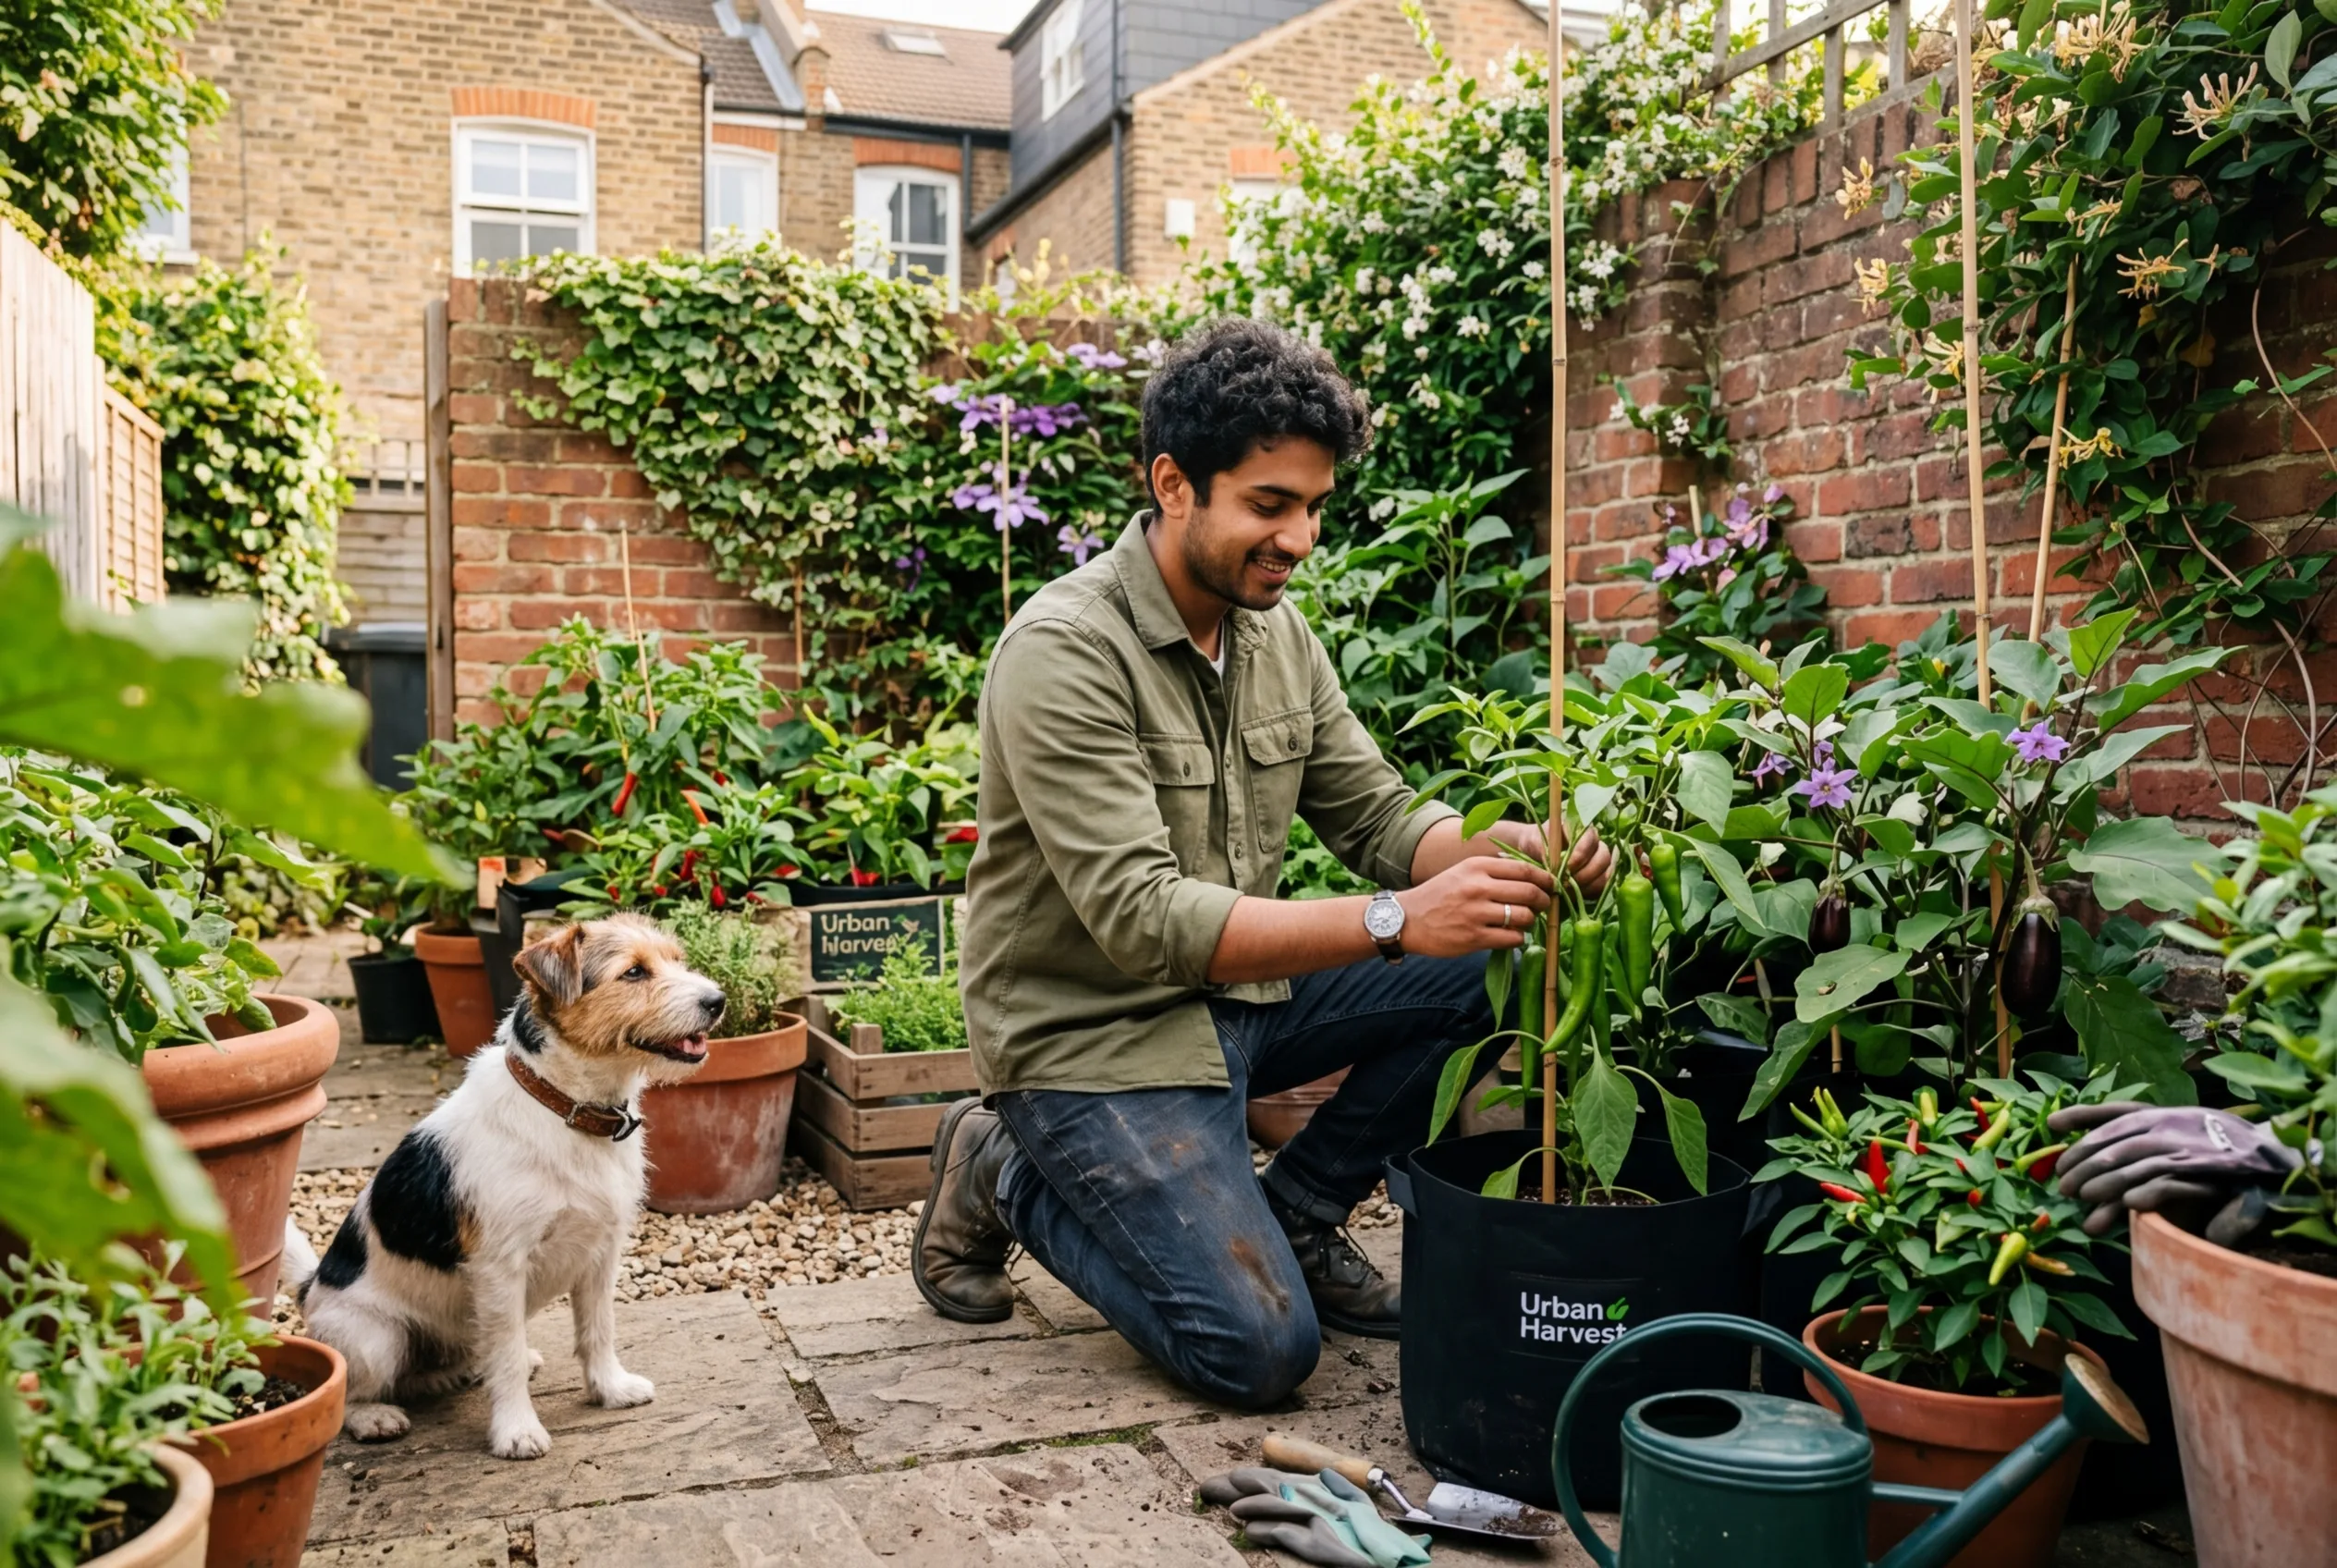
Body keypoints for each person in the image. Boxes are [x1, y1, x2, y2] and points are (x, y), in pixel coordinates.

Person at [910, 318, 1609, 1410]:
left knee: (1496, 959)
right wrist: (1392, 919)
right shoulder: (1063, 651)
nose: (1301, 537)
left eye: (1315, 506)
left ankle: (1298, 1208)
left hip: (1237, 998)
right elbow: (1143, 917)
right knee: (1257, 1351)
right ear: (1173, 484)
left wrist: (1507, 853)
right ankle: (1001, 1168)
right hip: (1092, 1035)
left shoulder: (1273, 634)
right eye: (1270, 506)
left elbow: (1376, 814)